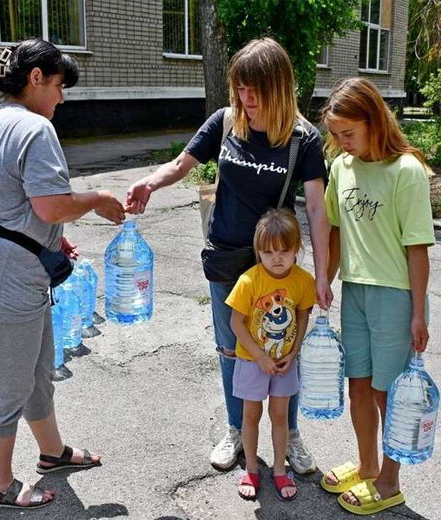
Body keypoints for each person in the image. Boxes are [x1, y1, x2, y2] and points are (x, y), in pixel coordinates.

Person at [126, 37, 332, 474]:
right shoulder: (225, 122)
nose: (246, 99)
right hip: (226, 260)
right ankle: (237, 428)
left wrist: (322, 274)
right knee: (231, 348)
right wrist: (150, 182)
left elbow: (316, 208)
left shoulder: (303, 140)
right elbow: (182, 164)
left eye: (255, 90)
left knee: (282, 346)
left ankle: (288, 433)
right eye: (240, 88)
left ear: (279, 86)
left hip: (275, 263)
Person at [0, 38, 125, 510]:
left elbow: (9, 204)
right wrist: (97, 199)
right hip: (3, 282)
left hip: (5, 268)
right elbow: (49, 205)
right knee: (7, 390)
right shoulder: (34, 127)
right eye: (59, 86)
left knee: (37, 374)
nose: (61, 98)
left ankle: (52, 453)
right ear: (35, 79)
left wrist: (48, 240)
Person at [319, 77, 435, 515]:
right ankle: (368, 466)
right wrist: (323, 280)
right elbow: (332, 230)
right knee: (359, 388)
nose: (341, 142)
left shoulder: (406, 171)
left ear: (374, 122)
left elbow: (417, 246)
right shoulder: (341, 169)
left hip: (396, 296)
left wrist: (418, 314)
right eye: (335, 134)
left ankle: (389, 482)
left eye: (348, 133)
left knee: (389, 394)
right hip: (355, 290)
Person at [226, 208, 314, 501]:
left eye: (284, 251)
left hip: (285, 363)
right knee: (251, 415)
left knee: (280, 416)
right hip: (252, 360)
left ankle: (279, 469)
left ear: (296, 248)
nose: (276, 258)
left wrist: (295, 352)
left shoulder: (303, 281)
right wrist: (259, 356)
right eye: (267, 252)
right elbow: (236, 323)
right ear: (258, 251)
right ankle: (251, 468)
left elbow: (302, 316)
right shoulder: (249, 281)